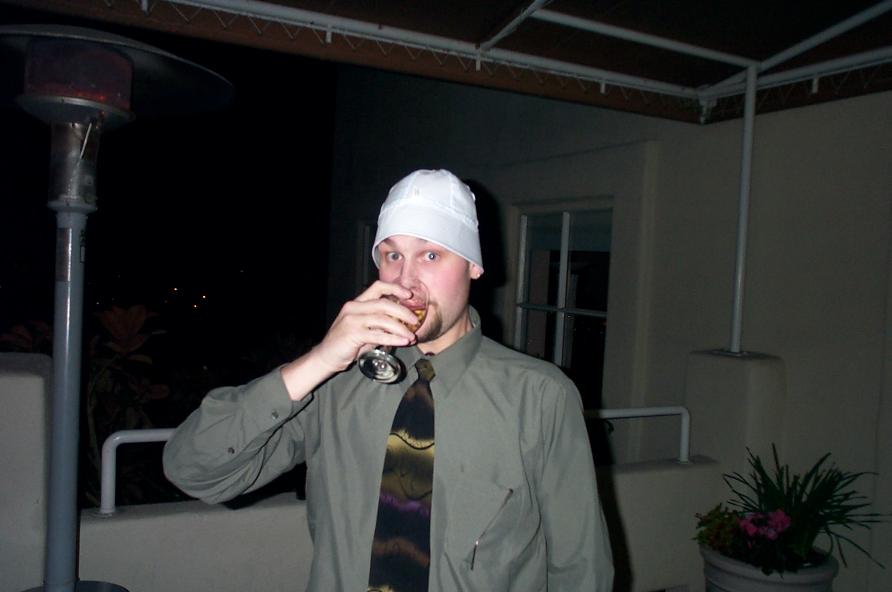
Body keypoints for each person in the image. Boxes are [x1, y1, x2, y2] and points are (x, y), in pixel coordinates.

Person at [163, 169, 614, 591]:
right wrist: (320, 360)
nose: (406, 281)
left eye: (431, 255)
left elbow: (580, 566)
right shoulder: (335, 385)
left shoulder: (540, 396)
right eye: (393, 255)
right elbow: (193, 471)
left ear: (473, 265)